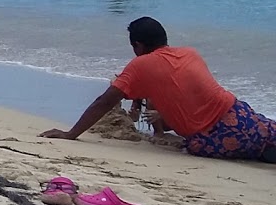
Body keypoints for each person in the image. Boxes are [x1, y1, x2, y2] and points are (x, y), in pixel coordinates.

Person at [41, 17, 276, 161]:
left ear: (138, 45)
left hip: (214, 136)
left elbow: (105, 102)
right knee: (268, 136)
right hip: (241, 113)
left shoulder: (141, 65)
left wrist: (71, 134)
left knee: (265, 153)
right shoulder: (189, 53)